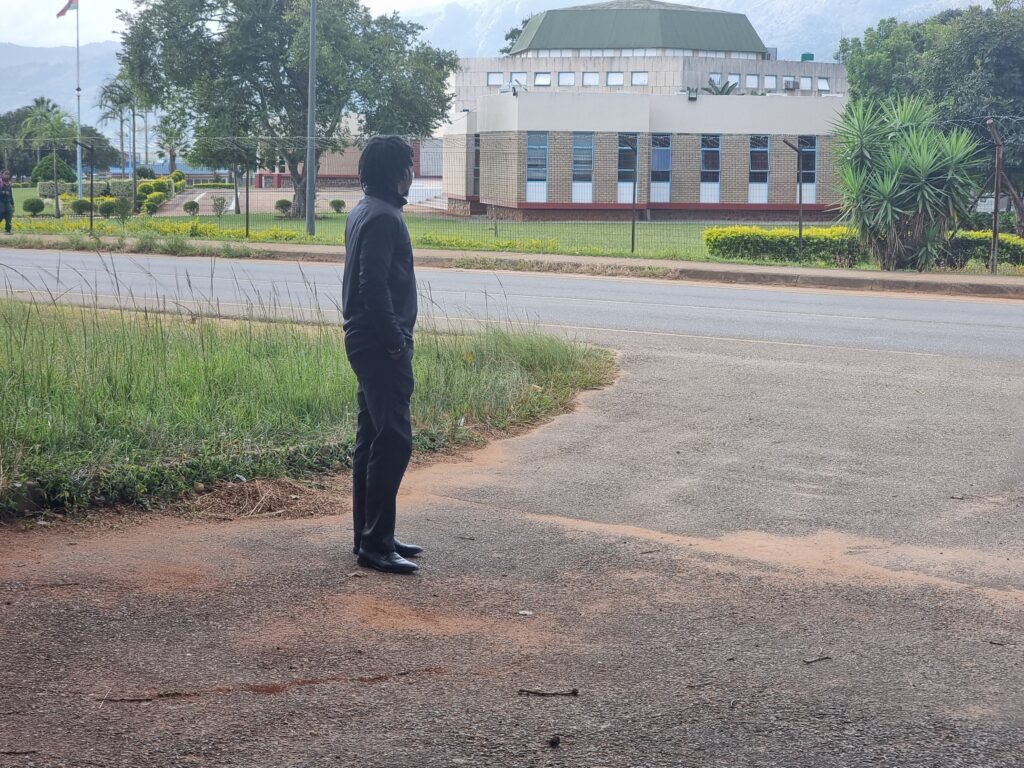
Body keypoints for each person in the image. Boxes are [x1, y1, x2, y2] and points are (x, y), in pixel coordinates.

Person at [342, 136, 423, 575]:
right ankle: (375, 543)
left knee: (372, 438)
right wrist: (394, 341)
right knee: (393, 441)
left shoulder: (366, 210)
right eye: (409, 166)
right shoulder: (383, 217)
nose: (413, 173)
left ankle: (372, 536)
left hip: (367, 340)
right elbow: (372, 286)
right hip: (379, 343)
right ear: (398, 174)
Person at [0, 170, 14, 235]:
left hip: (7, 202)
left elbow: (11, 195)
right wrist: (3, 192)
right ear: (2, 175)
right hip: (1, 202)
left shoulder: (9, 184)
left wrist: (12, 204)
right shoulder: (0, 183)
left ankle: (8, 230)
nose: (7, 175)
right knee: (1, 214)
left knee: (9, 213)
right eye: (6, 174)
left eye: (8, 174)